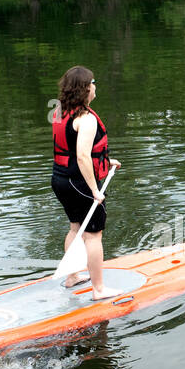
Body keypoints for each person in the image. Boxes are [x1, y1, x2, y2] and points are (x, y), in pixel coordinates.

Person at [52, 65, 121, 299]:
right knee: (93, 235)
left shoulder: (60, 111)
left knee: (75, 226)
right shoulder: (86, 119)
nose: (95, 86)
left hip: (60, 179)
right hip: (79, 184)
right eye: (93, 82)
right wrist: (94, 190)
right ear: (85, 88)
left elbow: (71, 149)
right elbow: (82, 156)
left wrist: (106, 161)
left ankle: (72, 277)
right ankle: (99, 289)